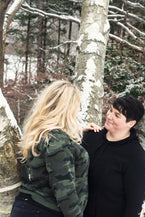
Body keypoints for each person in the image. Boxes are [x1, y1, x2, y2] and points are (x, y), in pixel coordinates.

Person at [10, 80, 89, 217]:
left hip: (26, 206)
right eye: (77, 105)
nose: (79, 110)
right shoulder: (58, 143)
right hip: (43, 211)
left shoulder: (40, 133)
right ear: (67, 108)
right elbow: (64, 192)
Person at [82, 96, 145, 217]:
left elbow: (134, 205)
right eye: (110, 110)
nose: (109, 116)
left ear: (131, 123)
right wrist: (79, 133)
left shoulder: (136, 157)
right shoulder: (91, 137)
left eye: (117, 115)